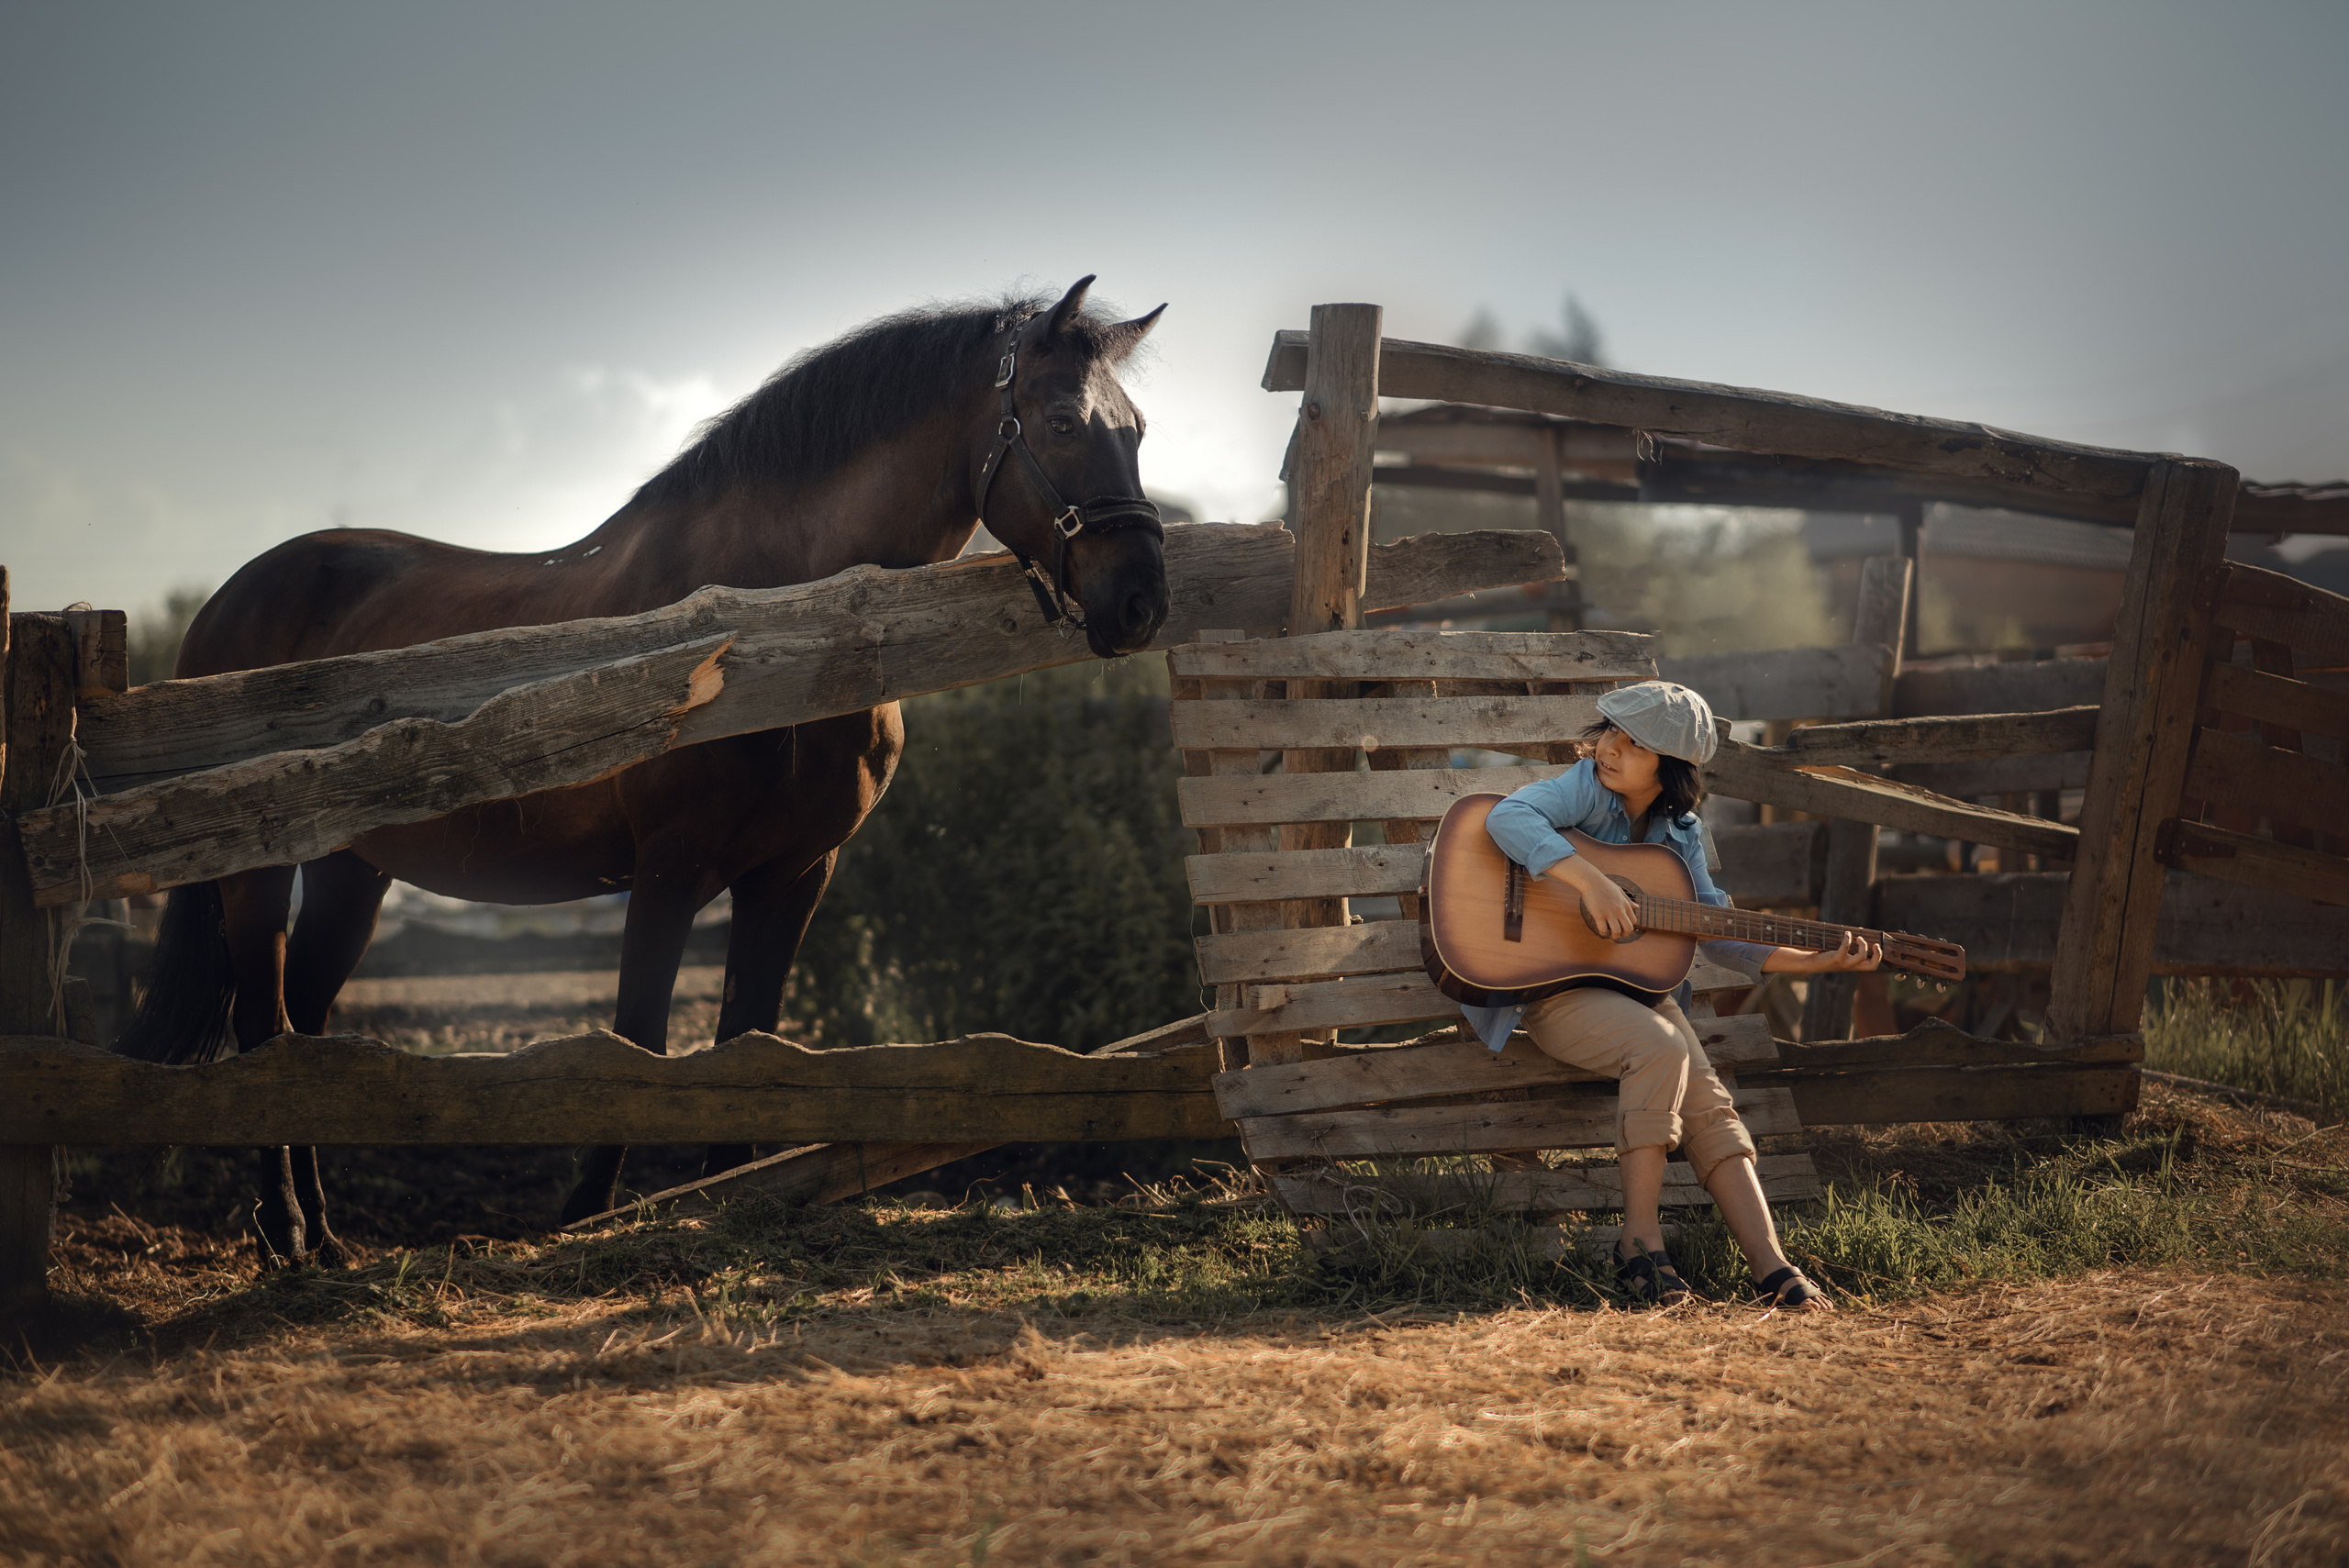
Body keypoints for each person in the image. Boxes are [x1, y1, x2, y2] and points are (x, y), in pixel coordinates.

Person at [1469, 681, 1879, 1310]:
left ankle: (1772, 1266)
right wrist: (1591, 882)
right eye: (1610, 731)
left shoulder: (1679, 833)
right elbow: (1506, 815)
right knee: (1662, 1048)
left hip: (1638, 992)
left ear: (1671, 769)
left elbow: (1717, 928)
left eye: (1634, 744)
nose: (1610, 748)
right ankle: (1639, 1239)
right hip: (1555, 989)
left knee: (1709, 1105)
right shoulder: (1583, 786)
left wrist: (1811, 960)